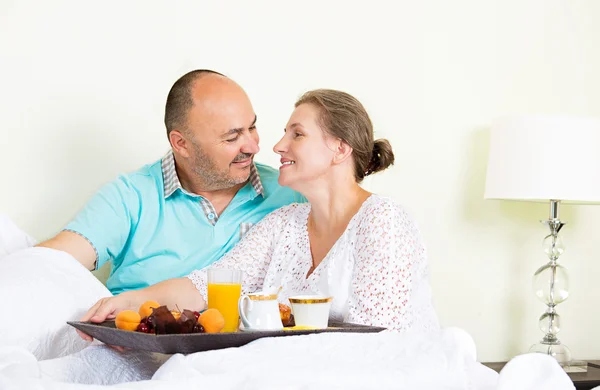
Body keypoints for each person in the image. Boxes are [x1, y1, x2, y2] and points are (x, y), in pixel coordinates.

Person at [80, 89, 439, 334]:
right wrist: (130, 299)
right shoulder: (285, 223)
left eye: (297, 134)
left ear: (339, 149)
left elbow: (374, 342)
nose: (278, 145)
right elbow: (206, 285)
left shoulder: (383, 223)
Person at [37, 70, 303, 295]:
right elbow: (51, 262)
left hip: (251, 352)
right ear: (181, 144)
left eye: (252, 127)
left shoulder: (291, 192)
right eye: (232, 138)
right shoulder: (131, 197)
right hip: (142, 350)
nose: (254, 145)